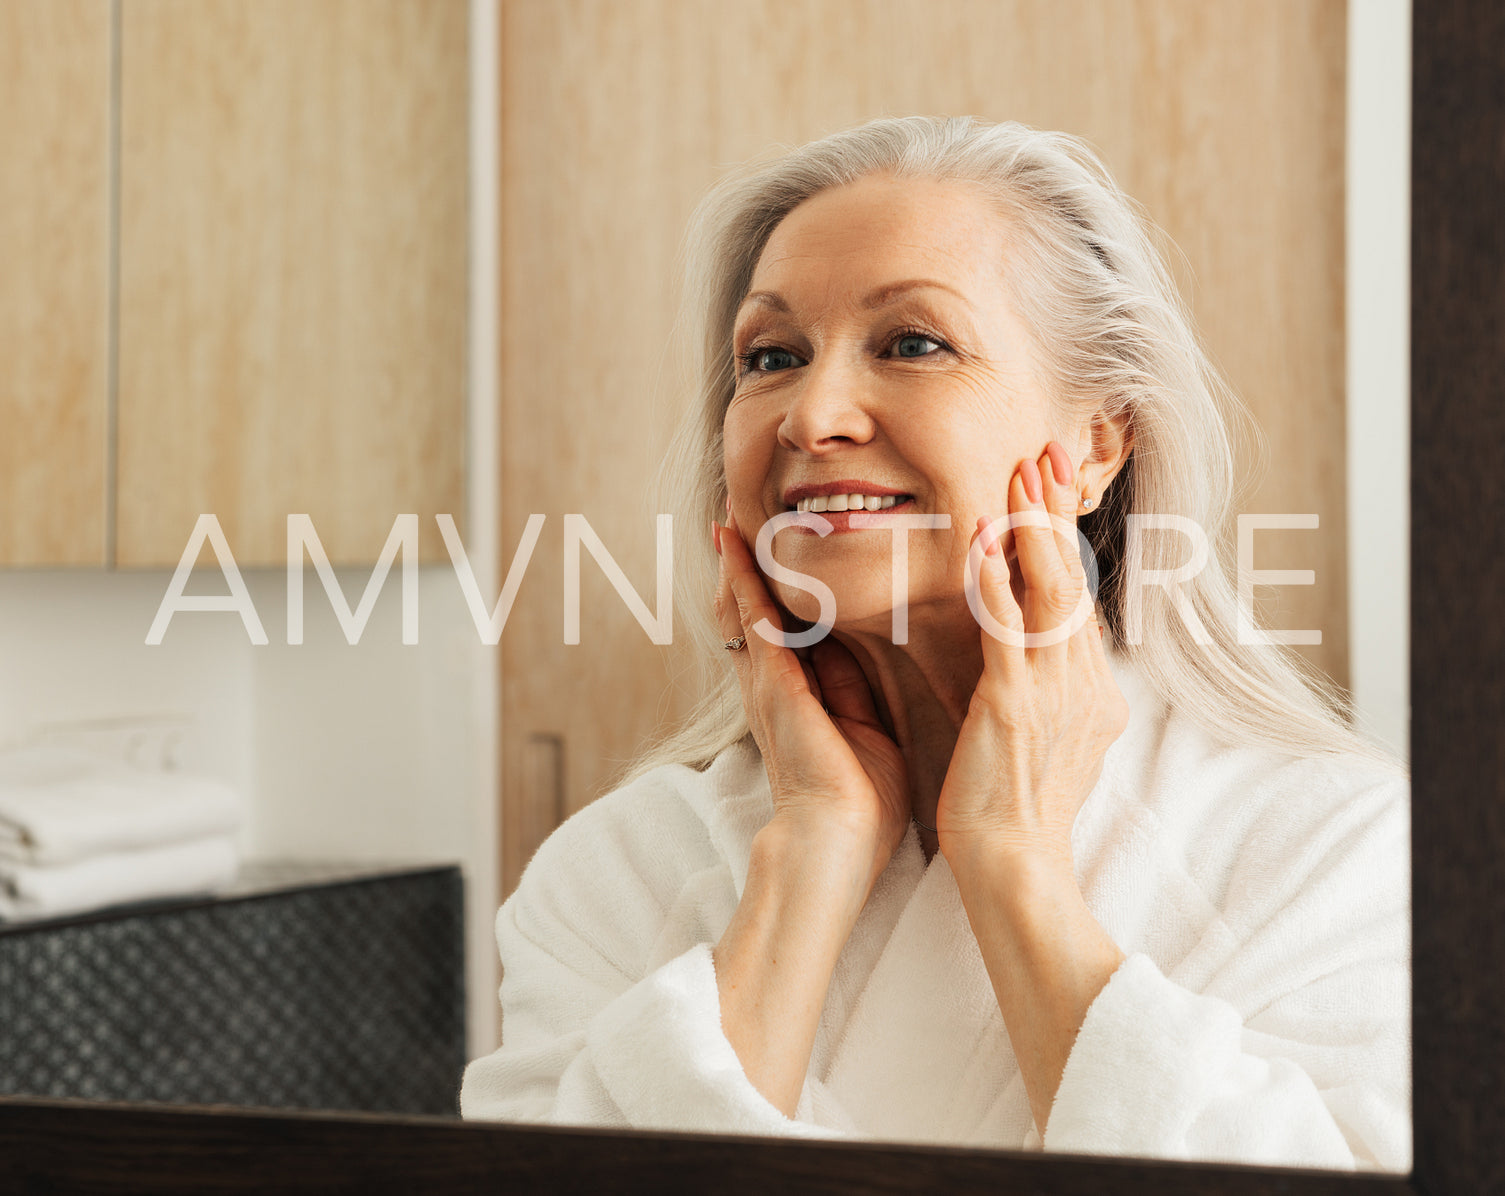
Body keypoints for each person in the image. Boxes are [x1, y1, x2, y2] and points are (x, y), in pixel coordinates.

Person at [459, 116, 1409, 1172]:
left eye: (912, 342)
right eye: (770, 357)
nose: (810, 414)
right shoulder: (618, 868)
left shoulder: (1332, 850)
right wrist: (808, 854)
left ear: (1096, 442)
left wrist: (1013, 862)